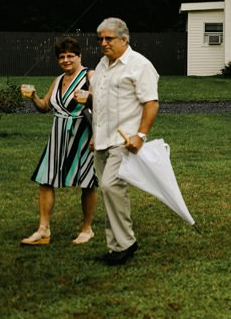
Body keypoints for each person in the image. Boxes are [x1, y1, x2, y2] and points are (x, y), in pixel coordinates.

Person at [90, 17, 159, 266]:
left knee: (111, 187)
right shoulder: (101, 66)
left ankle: (126, 243)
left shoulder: (139, 65)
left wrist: (140, 136)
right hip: (101, 141)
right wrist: (93, 135)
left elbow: (151, 102)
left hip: (124, 141)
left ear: (124, 39)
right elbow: (100, 104)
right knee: (109, 192)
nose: (104, 43)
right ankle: (115, 246)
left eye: (109, 39)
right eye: (101, 39)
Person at [20, 37, 98, 247]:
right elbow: (45, 106)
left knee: (87, 183)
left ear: (79, 56)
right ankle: (43, 230)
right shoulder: (58, 80)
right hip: (58, 136)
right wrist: (34, 96)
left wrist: (89, 100)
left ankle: (87, 228)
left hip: (83, 135)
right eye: (62, 57)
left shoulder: (90, 75)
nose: (66, 60)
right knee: (45, 180)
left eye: (70, 56)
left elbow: (105, 103)